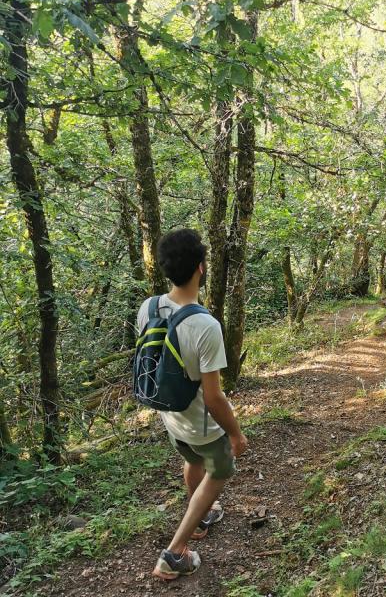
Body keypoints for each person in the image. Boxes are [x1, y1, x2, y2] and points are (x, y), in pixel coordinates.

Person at [136, 228, 248, 580]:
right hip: (202, 422)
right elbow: (214, 397)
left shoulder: (149, 307)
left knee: (191, 459)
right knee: (221, 470)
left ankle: (200, 519)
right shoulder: (205, 325)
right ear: (201, 268)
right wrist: (236, 435)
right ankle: (175, 553)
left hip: (170, 415)